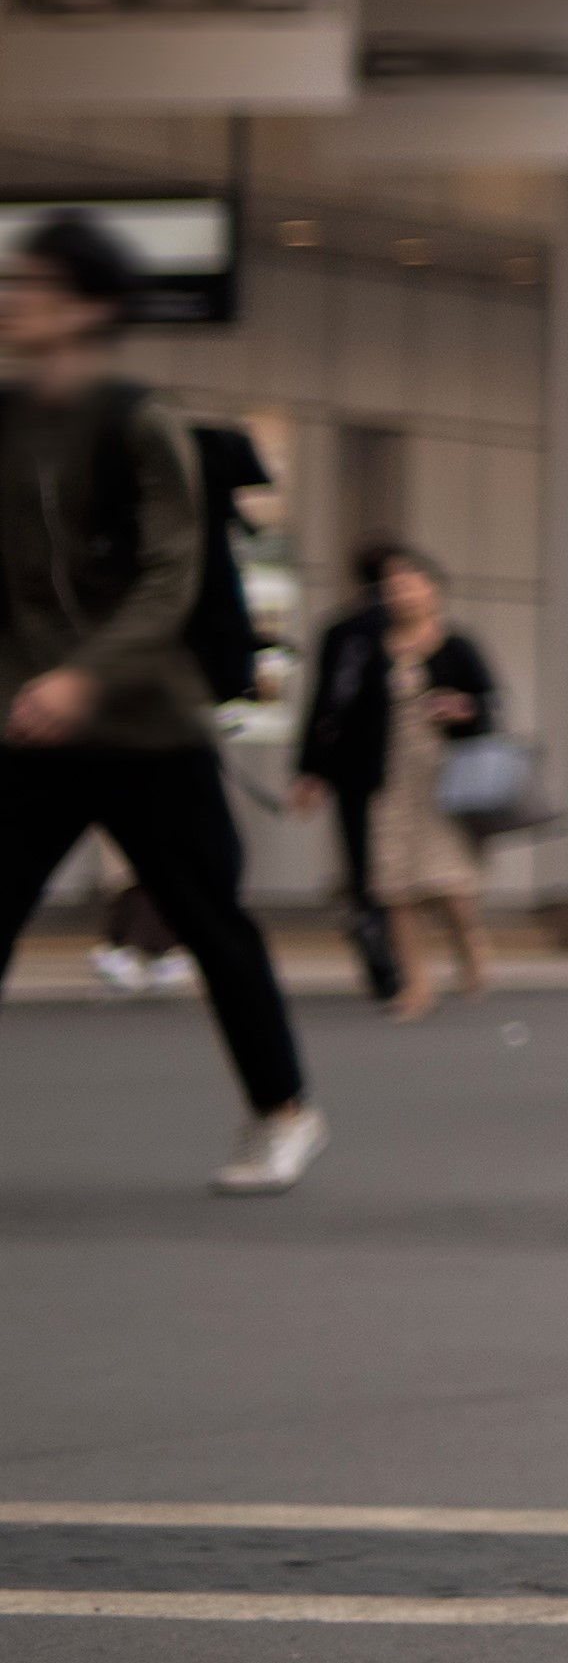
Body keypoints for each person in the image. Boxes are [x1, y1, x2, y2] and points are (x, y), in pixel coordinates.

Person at [0, 210, 325, 1192]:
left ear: (93, 307)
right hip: (31, 728)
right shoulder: (5, 419)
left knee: (211, 921)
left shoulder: (141, 420)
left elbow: (172, 574)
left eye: (35, 283)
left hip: (146, 724)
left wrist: (86, 673)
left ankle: (283, 1110)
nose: (13, 296)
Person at [296, 544, 501, 1021]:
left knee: (451, 884)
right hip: (383, 780)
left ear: (433, 590)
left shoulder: (456, 645)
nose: (402, 595)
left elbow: (490, 707)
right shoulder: (364, 646)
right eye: (393, 588)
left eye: (411, 584)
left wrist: (461, 709)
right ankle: (416, 985)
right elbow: (331, 709)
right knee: (393, 887)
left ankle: (471, 951)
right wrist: (314, 769)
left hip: (444, 780)